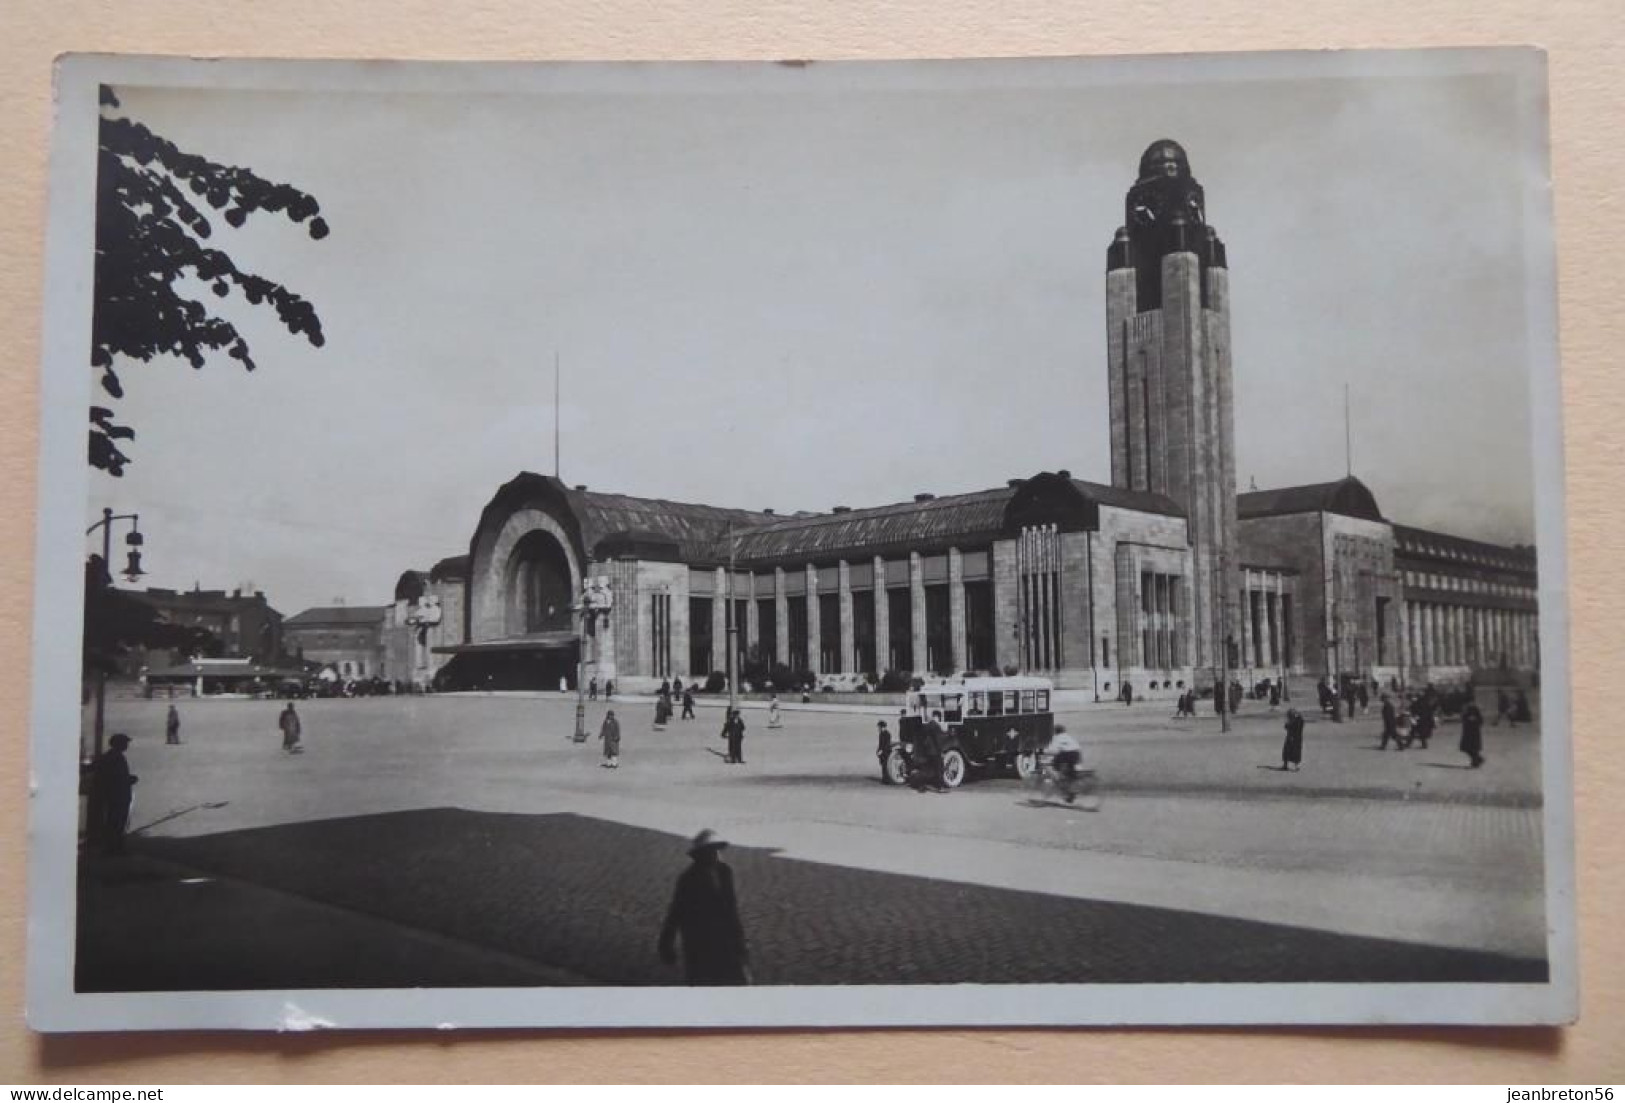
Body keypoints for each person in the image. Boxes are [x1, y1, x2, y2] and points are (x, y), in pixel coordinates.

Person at [658, 829, 750, 986]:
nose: (715, 855)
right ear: (699, 855)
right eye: (709, 851)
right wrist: (666, 943)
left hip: (726, 941)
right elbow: (676, 911)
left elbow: (731, 909)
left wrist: (740, 941)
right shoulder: (688, 879)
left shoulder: (725, 872)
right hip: (700, 943)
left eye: (716, 850)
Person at [88, 733, 138, 854]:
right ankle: (114, 848)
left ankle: (114, 847)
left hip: (114, 796)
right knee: (117, 823)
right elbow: (116, 778)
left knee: (115, 822)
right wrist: (130, 779)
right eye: (125, 743)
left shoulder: (108, 757)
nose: (127, 745)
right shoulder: (116, 758)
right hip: (118, 796)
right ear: (119, 744)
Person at [1043, 724, 1084, 803]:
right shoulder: (1068, 736)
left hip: (1067, 754)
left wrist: (1044, 753)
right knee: (1070, 774)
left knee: (1054, 768)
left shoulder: (1057, 738)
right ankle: (1070, 794)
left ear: (1055, 731)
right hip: (1077, 754)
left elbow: (1052, 750)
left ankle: (1063, 787)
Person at [1460, 699, 1485, 768]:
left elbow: (1481, 720)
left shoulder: (1475, 709)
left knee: (1473, 748)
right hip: (1467, 732)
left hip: (1474, 732)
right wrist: (1467, 719)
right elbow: (1463, 718)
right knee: (1466, 748)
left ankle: (1475, 762)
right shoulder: (1466, 709)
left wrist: (1474, 720)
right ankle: (1478, 759)